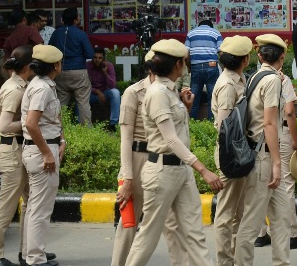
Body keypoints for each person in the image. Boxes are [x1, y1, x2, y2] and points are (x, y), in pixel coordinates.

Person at [124, 39, 224, 266]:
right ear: (177, 64)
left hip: (180, 170)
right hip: (162, 171)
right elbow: (169, 139)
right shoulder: (158, 93)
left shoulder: (171, 91)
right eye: (185, 62)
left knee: (194, 232)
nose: (187, 65)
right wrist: (203, 170)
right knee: (148, 234)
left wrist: (186, 107)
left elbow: (176, 130)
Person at [111, 51, 188, 266]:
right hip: (137, 159)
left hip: (163, 161)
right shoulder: (133, 93)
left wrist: (186, 107)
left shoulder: (171, 91)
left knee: (172, 224)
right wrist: (127, 178)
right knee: (129, 225)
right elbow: (125, 139)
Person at [0, 45, 56, 266]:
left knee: (30, 203)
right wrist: (30, 123)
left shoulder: (23, 85)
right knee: (7, 206)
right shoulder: (15, 89)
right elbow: (4, 126)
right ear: (27, 66)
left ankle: (28, 252)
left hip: (20, 148)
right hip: (12, 150)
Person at [234, 34, 288, 266]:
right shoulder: (273, 80)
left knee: (282, 217)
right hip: (264, 156)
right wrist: (277, 164)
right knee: (252, 222)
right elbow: (269, 123)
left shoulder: (255, 76)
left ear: (259, 55)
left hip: (260, 152)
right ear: (283, 57)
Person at [21, 44, 66, 266]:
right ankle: (35, 259)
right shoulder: (42, 88)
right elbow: (31, 124)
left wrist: (61, 140)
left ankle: (33, 252)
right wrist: (48, 153)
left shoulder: (42, 85)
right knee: (40, 209)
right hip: (41, 153)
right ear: (56, 65)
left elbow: (51, 120)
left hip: (43, 148)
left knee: (35, 207)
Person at [255, 69, 297, 251]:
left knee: (262, 181)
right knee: (286, 183)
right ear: (281, 56)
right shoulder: (282, 80)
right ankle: (291, 234)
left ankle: (260, 233)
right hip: (280, 131)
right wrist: (295, 141)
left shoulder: (253, 78)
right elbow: (289, 112)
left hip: (259, 135)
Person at [212, 35, 253, 265]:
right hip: (231, 154)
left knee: (238, 213)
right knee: (226, 214)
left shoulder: (238, 79)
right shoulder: (228, 85)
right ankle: (224, 261)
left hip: (238, 151)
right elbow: (225, 126)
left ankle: (236, 259)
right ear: (244, 59)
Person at [48, 8, 94, 125]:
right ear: (76, 20)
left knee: (61, 104)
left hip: (60, 71)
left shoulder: (56, 33)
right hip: (79, 72)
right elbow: (90, 54)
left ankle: (60, 129)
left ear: (62, 20)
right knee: (83, 103)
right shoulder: (81, 34)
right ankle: (87, 133)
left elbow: (50, 50)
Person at [184, 19, 222, 120]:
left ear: (199, 26)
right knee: (212, 98)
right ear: (210, 26)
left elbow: (186, 54)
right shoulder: (215, 33)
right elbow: (221, 51)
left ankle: (192, 123)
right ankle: (212, 124)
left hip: (195, 67)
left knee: (194, 98)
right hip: (212, 66)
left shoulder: (191, 33)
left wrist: (189, 67)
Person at [1, 9, 43, 82]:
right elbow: (40, 47)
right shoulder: (30, 30)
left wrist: (12, 79)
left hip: (17, 71)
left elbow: (7, 60)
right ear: (24, 18)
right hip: (32, 69)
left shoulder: (9, 37)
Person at [86, 47, 121, 130]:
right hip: (91, 94)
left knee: (115, 92)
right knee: (79, 97)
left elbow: (112, 85)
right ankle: (81, 124)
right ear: (92, 58)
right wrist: (97, 91)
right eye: (95, 57)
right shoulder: (87, 66)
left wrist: (105, 72)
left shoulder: (108, 66)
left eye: (100, 58)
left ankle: (113, 124)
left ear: (103, 59)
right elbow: (84, 85)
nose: (97, 60)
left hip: (105, 92)